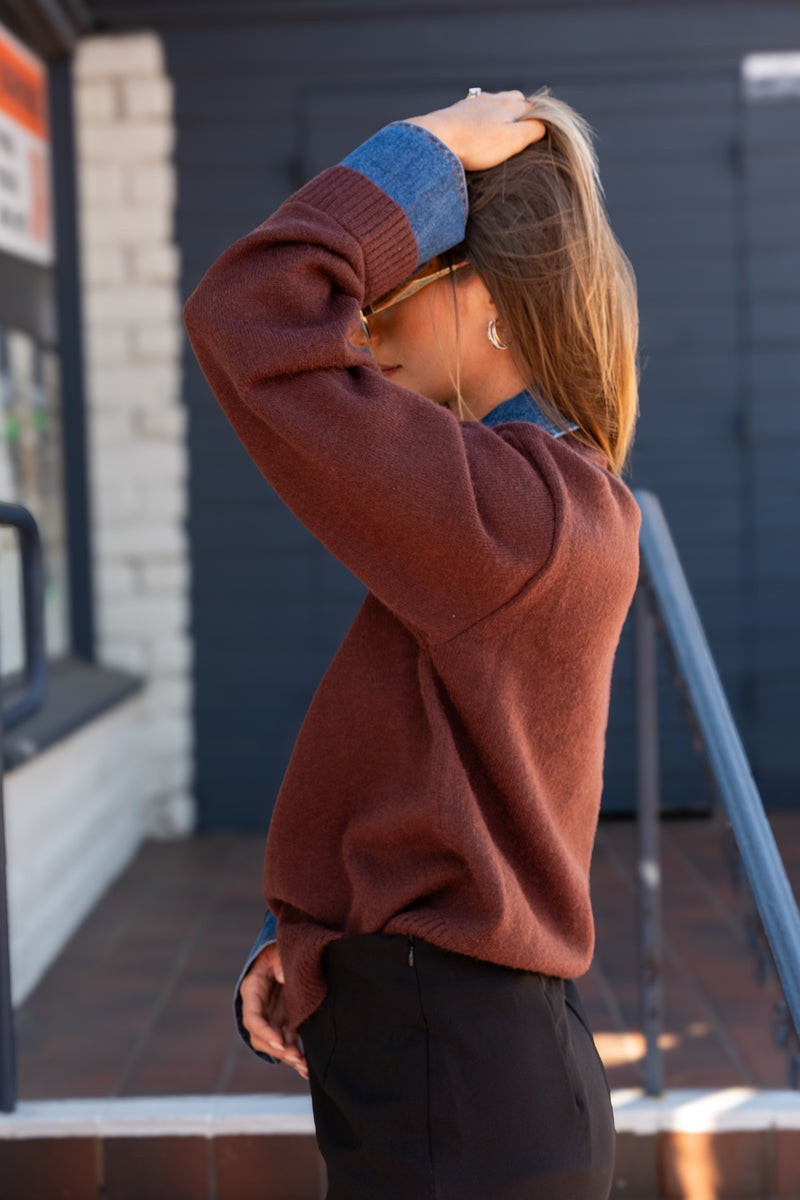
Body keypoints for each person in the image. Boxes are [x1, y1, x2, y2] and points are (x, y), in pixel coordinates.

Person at [184, 86, 641, 1200]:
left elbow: (253, 307)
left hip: (458, 1092)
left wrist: (425, 150)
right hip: (454, 1070)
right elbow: (432, 770)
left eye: (384, 300)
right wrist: (302, 934)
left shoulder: (516, 517)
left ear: (487, 299)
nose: (356, 330)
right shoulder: (526, 506)